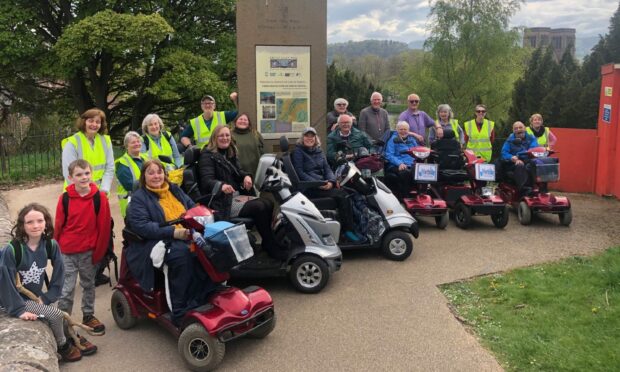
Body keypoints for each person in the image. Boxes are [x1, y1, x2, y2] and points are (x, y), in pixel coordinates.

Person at [125, 159, 216, 323]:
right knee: (182, 255)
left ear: (164, 174)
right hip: (154, 241)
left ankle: (202, 296)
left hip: (186, 234)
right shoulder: (139, 198)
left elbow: (191, 208)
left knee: (212, 249)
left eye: (159, 172)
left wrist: (205, 215)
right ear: (143, 176)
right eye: (151, 173)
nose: (156, 176)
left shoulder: (174, 189)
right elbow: (143, 227)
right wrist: (173, 232)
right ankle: (180, 311)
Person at [0, 203, 84, 362]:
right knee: (55, 314)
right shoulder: (12, 250)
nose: (35, 225)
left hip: (33, 295)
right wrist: (18, 310)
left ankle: (70, 335)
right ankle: (63, 346)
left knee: (53, 313)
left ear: (46, 222)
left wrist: (47, 297)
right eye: (29, 222)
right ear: (22, 225)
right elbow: (5, 282)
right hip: (12, 299)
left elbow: (60, 273)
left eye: (40, 220)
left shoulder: (50, 245)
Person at [197, 125, 284, 259]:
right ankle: (271, 245)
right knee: (259, 207)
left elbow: (238, 172)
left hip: (235, 196)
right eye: (221, 135)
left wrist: (246, 176)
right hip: (221, 201)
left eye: (227, 135)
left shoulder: (229, 153)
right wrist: (221, 186)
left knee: (268, 203)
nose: (225, 138)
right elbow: (207, 180)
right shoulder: (207, 156)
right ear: (214, 138)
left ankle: (268, 241)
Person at [54, 159, 111, 339]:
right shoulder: (64, 198)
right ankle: (63, 323)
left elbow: (104, 228)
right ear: (71, 178)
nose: (84, 177)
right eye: (79, 174)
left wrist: (99, 252)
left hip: (88, 251)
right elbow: (58, 226)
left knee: (89, 284)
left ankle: (88, 315)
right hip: (67, 251)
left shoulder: (99, 197)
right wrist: (54, 251)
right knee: (67, 290)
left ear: (91, 174)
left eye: (87, 173)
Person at [291, 127, 356, 235]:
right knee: (342, 195)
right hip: (310, 187)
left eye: (312, 136)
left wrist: (331, 181)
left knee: (350, 191)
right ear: (302, 138)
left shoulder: (319, 150)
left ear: (316, 138)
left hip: (324, 183)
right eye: (307, 136)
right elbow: (300, 173)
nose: (310, 138)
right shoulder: (298, 151)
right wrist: (319, 184)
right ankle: (348, 230)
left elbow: (327, 168)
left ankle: (351, 225)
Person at [61, 108, 114, 193]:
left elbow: (110, 168)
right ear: (84, 122)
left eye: (98, 122)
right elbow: (68, 172)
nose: (94, 124)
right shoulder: (72, 143)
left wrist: (104, 189)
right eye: (91, 121)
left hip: (100, 192)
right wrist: (85, 193)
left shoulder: (106, 141)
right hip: (78, 194)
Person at [497, 121, 539, 194]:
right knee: (520, 165)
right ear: (513, 131)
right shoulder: (510, 140)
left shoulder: (531, 138)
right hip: (513, 163)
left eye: (520, 127)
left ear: (525, 128)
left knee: (537, 163)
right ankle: (524, 190)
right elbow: (504, 152)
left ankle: (540, 187)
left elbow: (534, 148)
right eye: (516, 128)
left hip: (527, 160)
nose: (519, 130)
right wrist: (512, 157)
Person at [115, 131, 147, 218]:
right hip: (131, 206)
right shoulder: (122, 163)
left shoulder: (146, 157)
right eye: (133, 142)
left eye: (138, 141)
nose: (137, 144)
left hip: (146, 203)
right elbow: (130, 185)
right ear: (126, 146)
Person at [384, 121, 419, 197]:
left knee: (423, 171)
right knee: (405, 173)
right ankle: (405, 197)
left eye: (405, 129)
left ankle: (420, 195)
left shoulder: (412, 140)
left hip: (411, 164)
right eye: (401, 129)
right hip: (395, 164)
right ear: (397, 130)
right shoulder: (393, 140)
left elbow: (417, 151)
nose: (403, 131)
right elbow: (389, 155)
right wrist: (399, 163)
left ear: (408, 130)